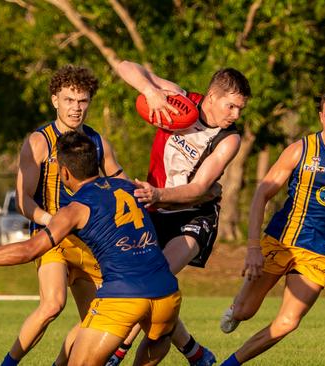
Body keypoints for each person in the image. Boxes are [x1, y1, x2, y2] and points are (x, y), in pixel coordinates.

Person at [0, 132, 181, 366]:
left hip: (123, 297)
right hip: (168, 294)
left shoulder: (75, 209)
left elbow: (29, 250)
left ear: (64, 172)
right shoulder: (127, 186)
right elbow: (172, 198)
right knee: (158, 339)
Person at [218, 92, 325, 366]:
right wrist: (253, 248)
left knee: (289, 322)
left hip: (318, 252)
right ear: (320, 117)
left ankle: (230, 363)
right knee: (245, 312)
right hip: (280, 241)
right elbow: (261, 195)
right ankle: (236, 307)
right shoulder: (300, 150)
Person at [111, 60, 251, 366]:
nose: (236, 115)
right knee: (150, 285)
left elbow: (201, 187)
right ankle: (193, 351)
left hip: (195, 214)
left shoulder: (229, 140)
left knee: (153, 277)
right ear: (212, 97)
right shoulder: (179, 101)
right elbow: (124, 65)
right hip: (155, 208)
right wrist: (150, 91)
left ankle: (117, 350)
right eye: (232, 107)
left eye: (240, 109)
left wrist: (159, 194)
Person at [9, 65, 126, 365]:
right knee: (52, 304)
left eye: (82, 101)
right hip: (52, 240)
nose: (76, 108)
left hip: (88, 243)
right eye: (69, 100)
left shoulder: (98, 143)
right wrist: (51, 222)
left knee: (99, 321)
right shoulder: (39, 142)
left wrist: (151, 195)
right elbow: (23, 200)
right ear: (55, 101)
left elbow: (121, 186)